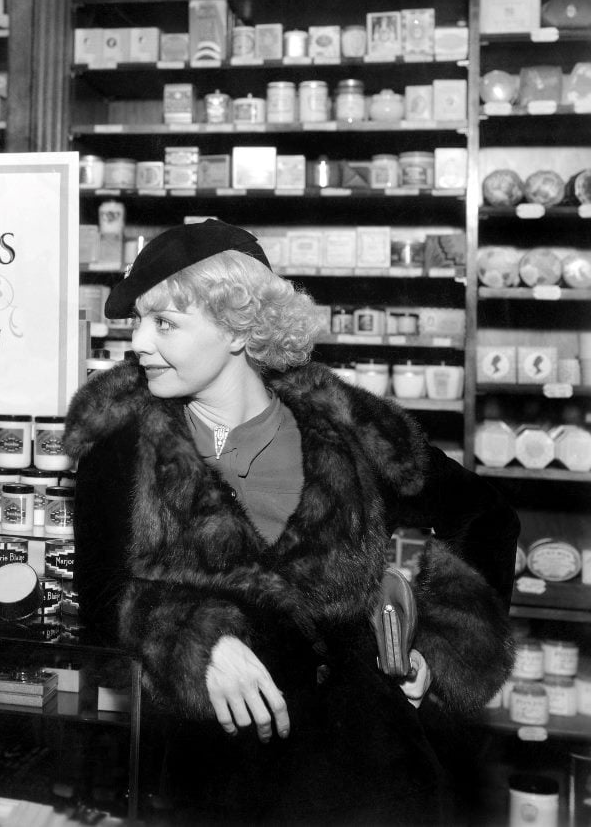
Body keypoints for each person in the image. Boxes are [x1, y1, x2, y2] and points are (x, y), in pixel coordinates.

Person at [65, 221, 519, 826]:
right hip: (219, 783)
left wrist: (434, 641)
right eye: (138, 323)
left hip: (374, 780)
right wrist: (193, 642)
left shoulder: (348, 426)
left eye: (165, 323)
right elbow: (101, 590)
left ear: (236, 328)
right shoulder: (122, 449)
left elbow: (485, 518)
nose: (140, 343)